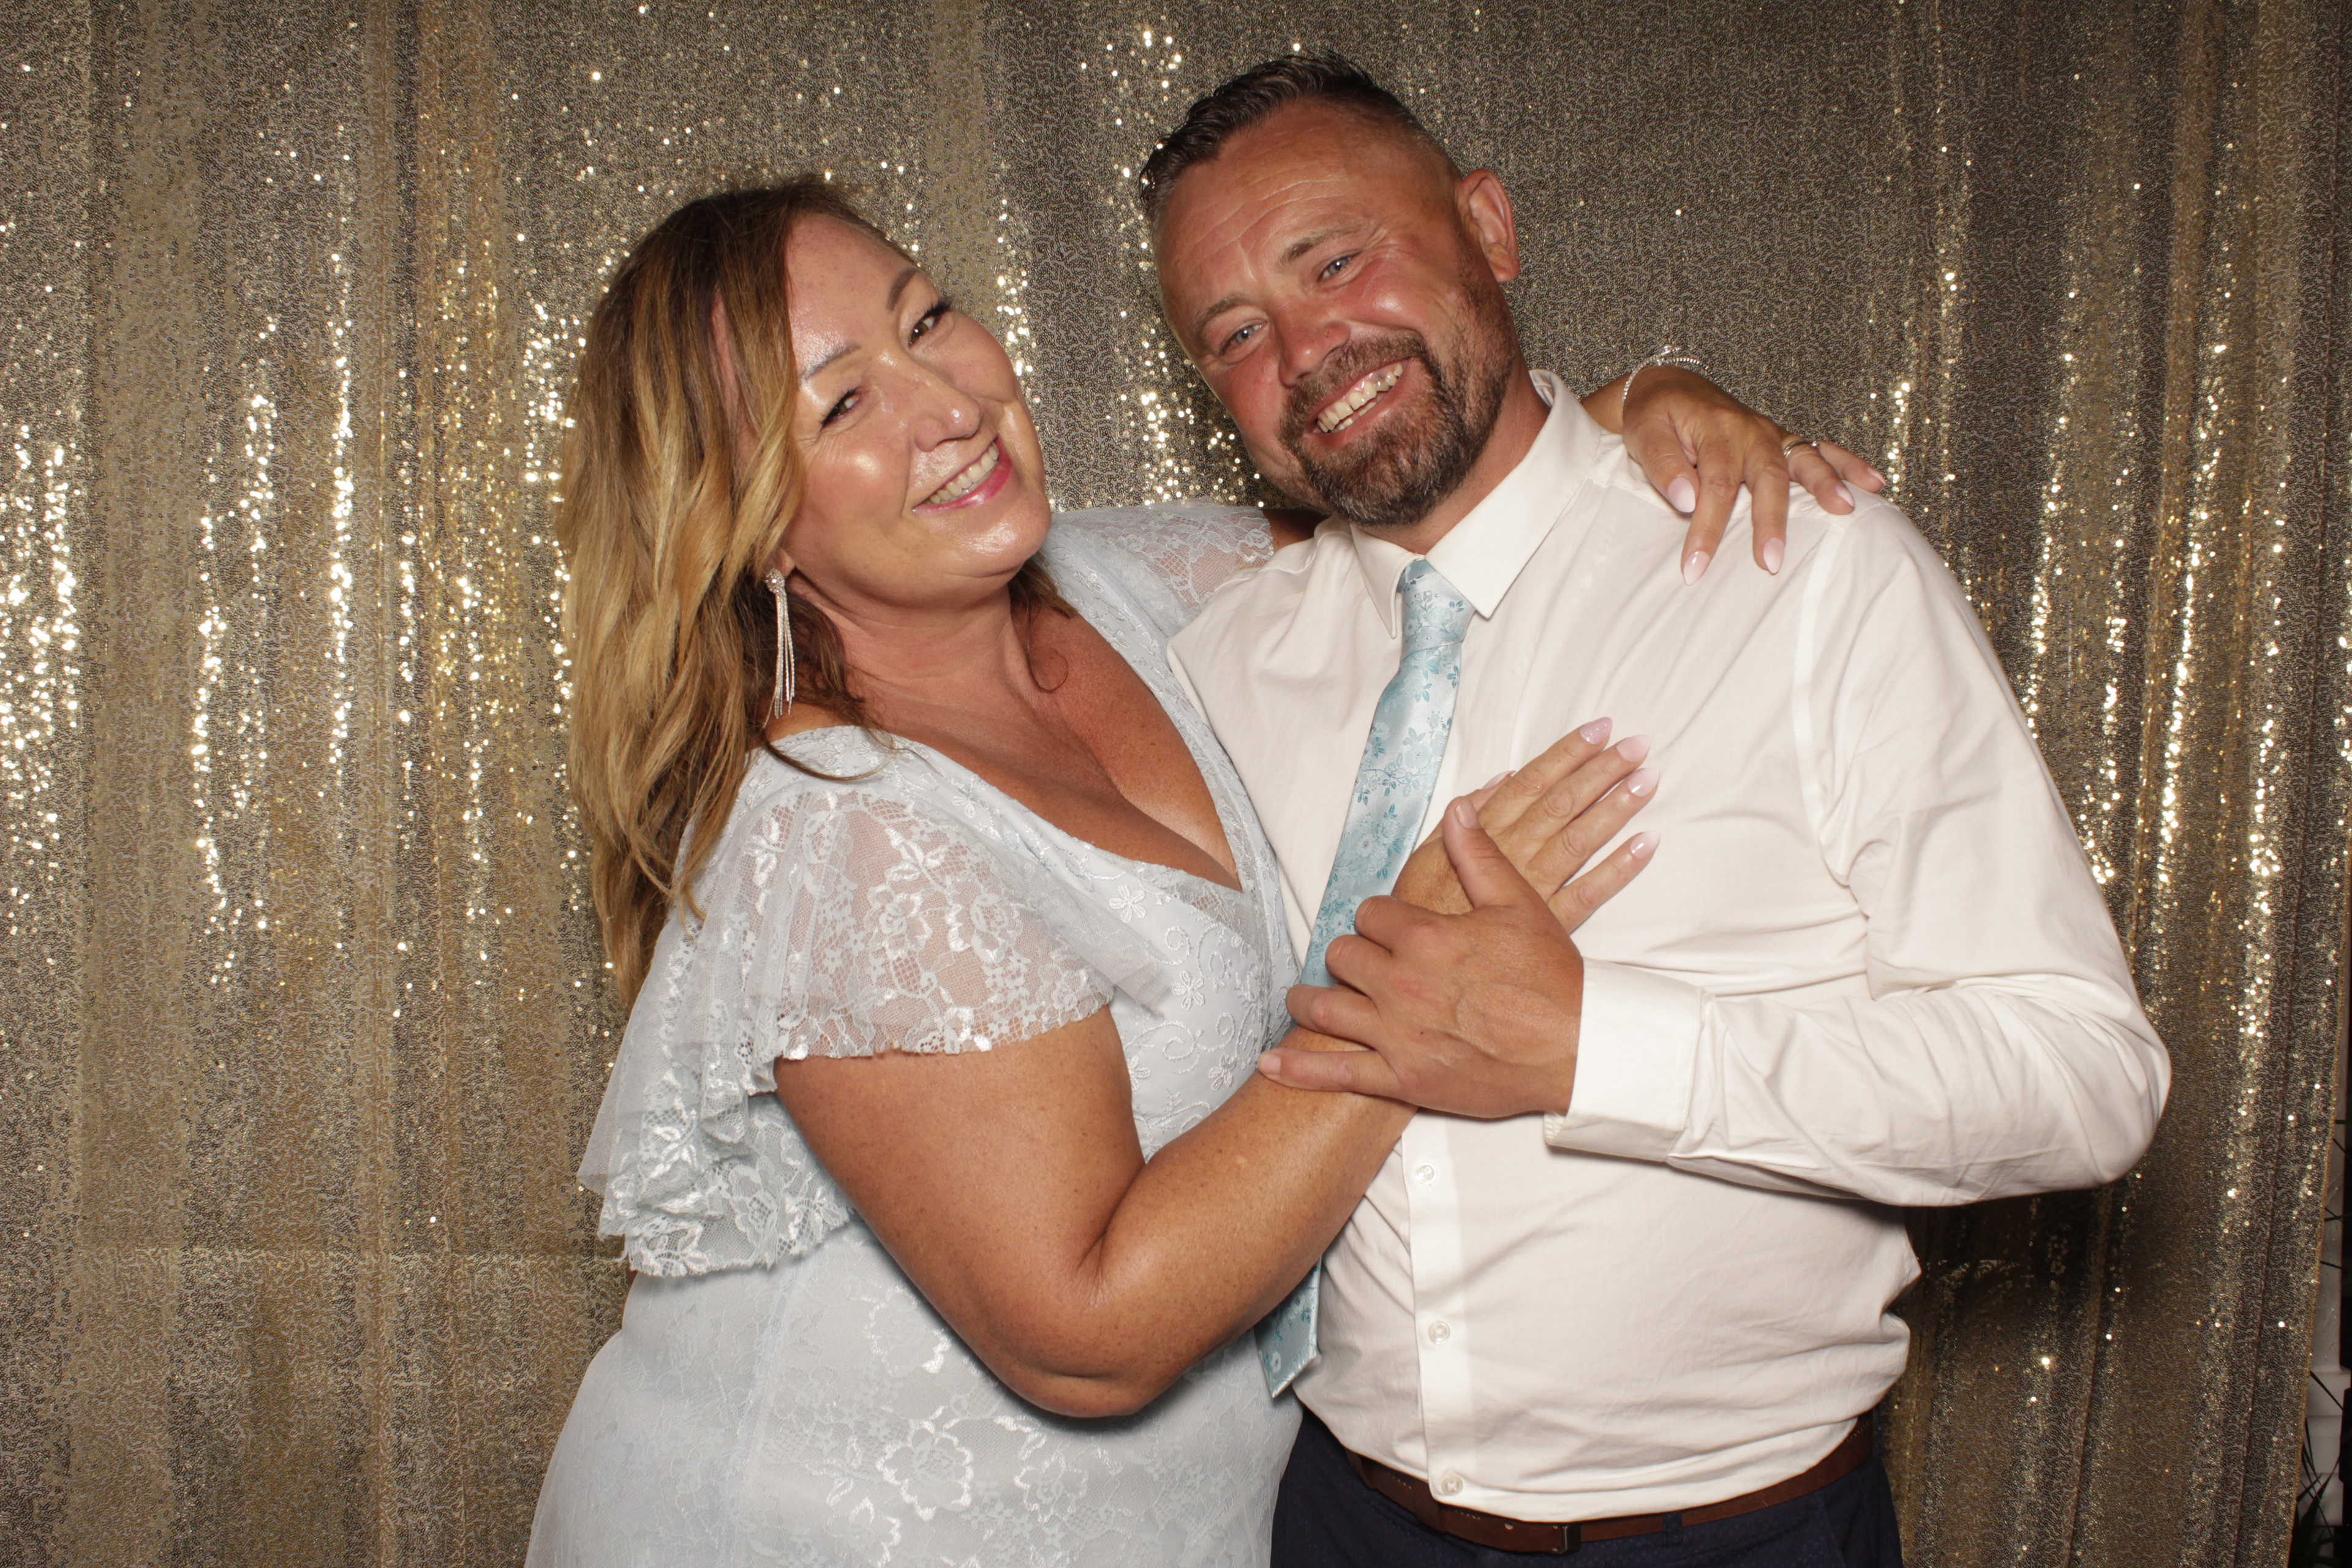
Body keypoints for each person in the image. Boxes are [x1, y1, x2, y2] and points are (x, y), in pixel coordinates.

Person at [524, 173, 1874, 1567]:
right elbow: (1087, 1334)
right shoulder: (843, 825)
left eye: (927, 320)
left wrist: (1642, 404)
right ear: (749, 520)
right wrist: (1413, 964)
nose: (945, 405)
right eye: (842, 403)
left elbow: (1462, 499)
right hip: (843, 1530)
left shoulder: (1148, 578)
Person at [1145, 54, 2170, 1567]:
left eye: (1337, 260)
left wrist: (1594, 1045)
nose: (1306, 350)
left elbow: (2086, 1076)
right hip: (1345, 1514)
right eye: (1236, 332)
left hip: (1734, 1529)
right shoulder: (1220, 659)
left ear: (1487, 225)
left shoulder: (1804, 568)